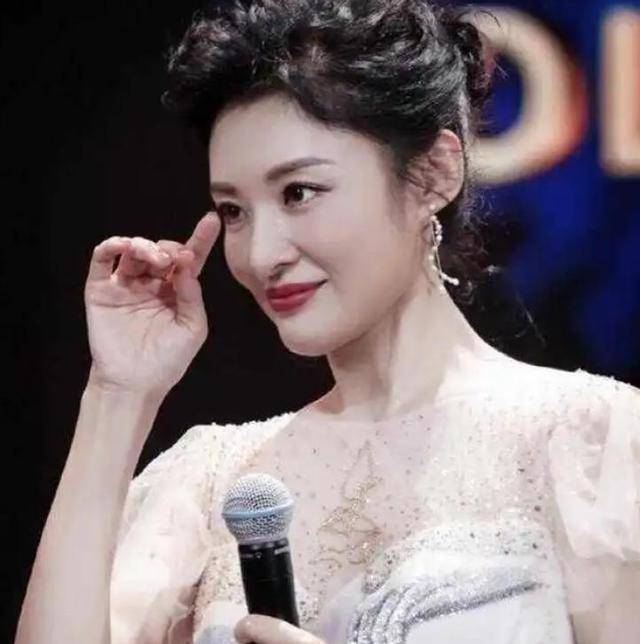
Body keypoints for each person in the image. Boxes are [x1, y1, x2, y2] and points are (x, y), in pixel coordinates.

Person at [15, 0, 640, 643]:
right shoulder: (209, 480)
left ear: (433, 174)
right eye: (233, 211)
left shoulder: (590, 442)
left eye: (299, 193)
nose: (261, 254)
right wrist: (118, 394)